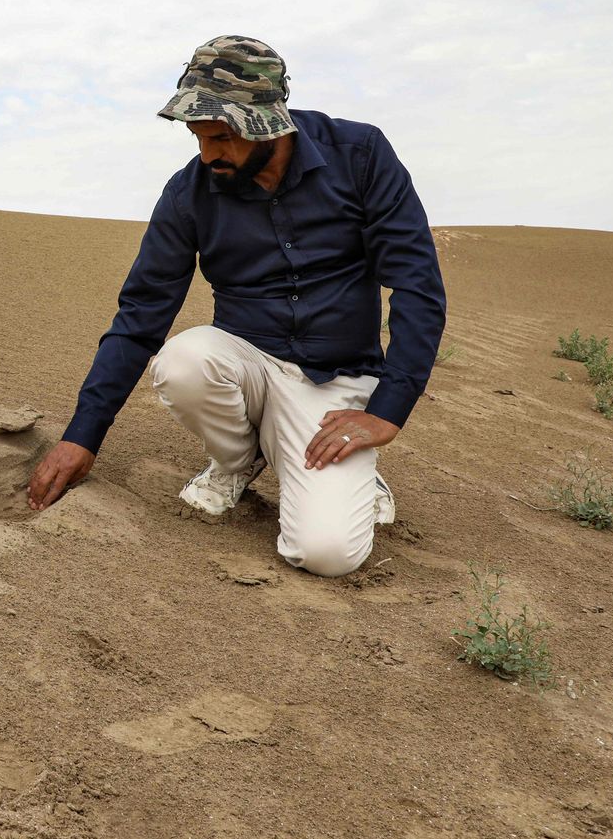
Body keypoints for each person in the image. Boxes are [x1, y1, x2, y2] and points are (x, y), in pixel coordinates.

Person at [26, 35, 446, 577]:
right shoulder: (188, 194)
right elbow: (141, 314)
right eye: (198, 135)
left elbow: (417, 286)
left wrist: (385, 411)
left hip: (337, 379)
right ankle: (237, 460)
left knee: (327, 555)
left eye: (221, 136)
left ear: (269, 121)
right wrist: (81, 437)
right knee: (182, 361)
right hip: (245, 363)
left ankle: (351, 465)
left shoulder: (361, 157)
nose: (208, 154)